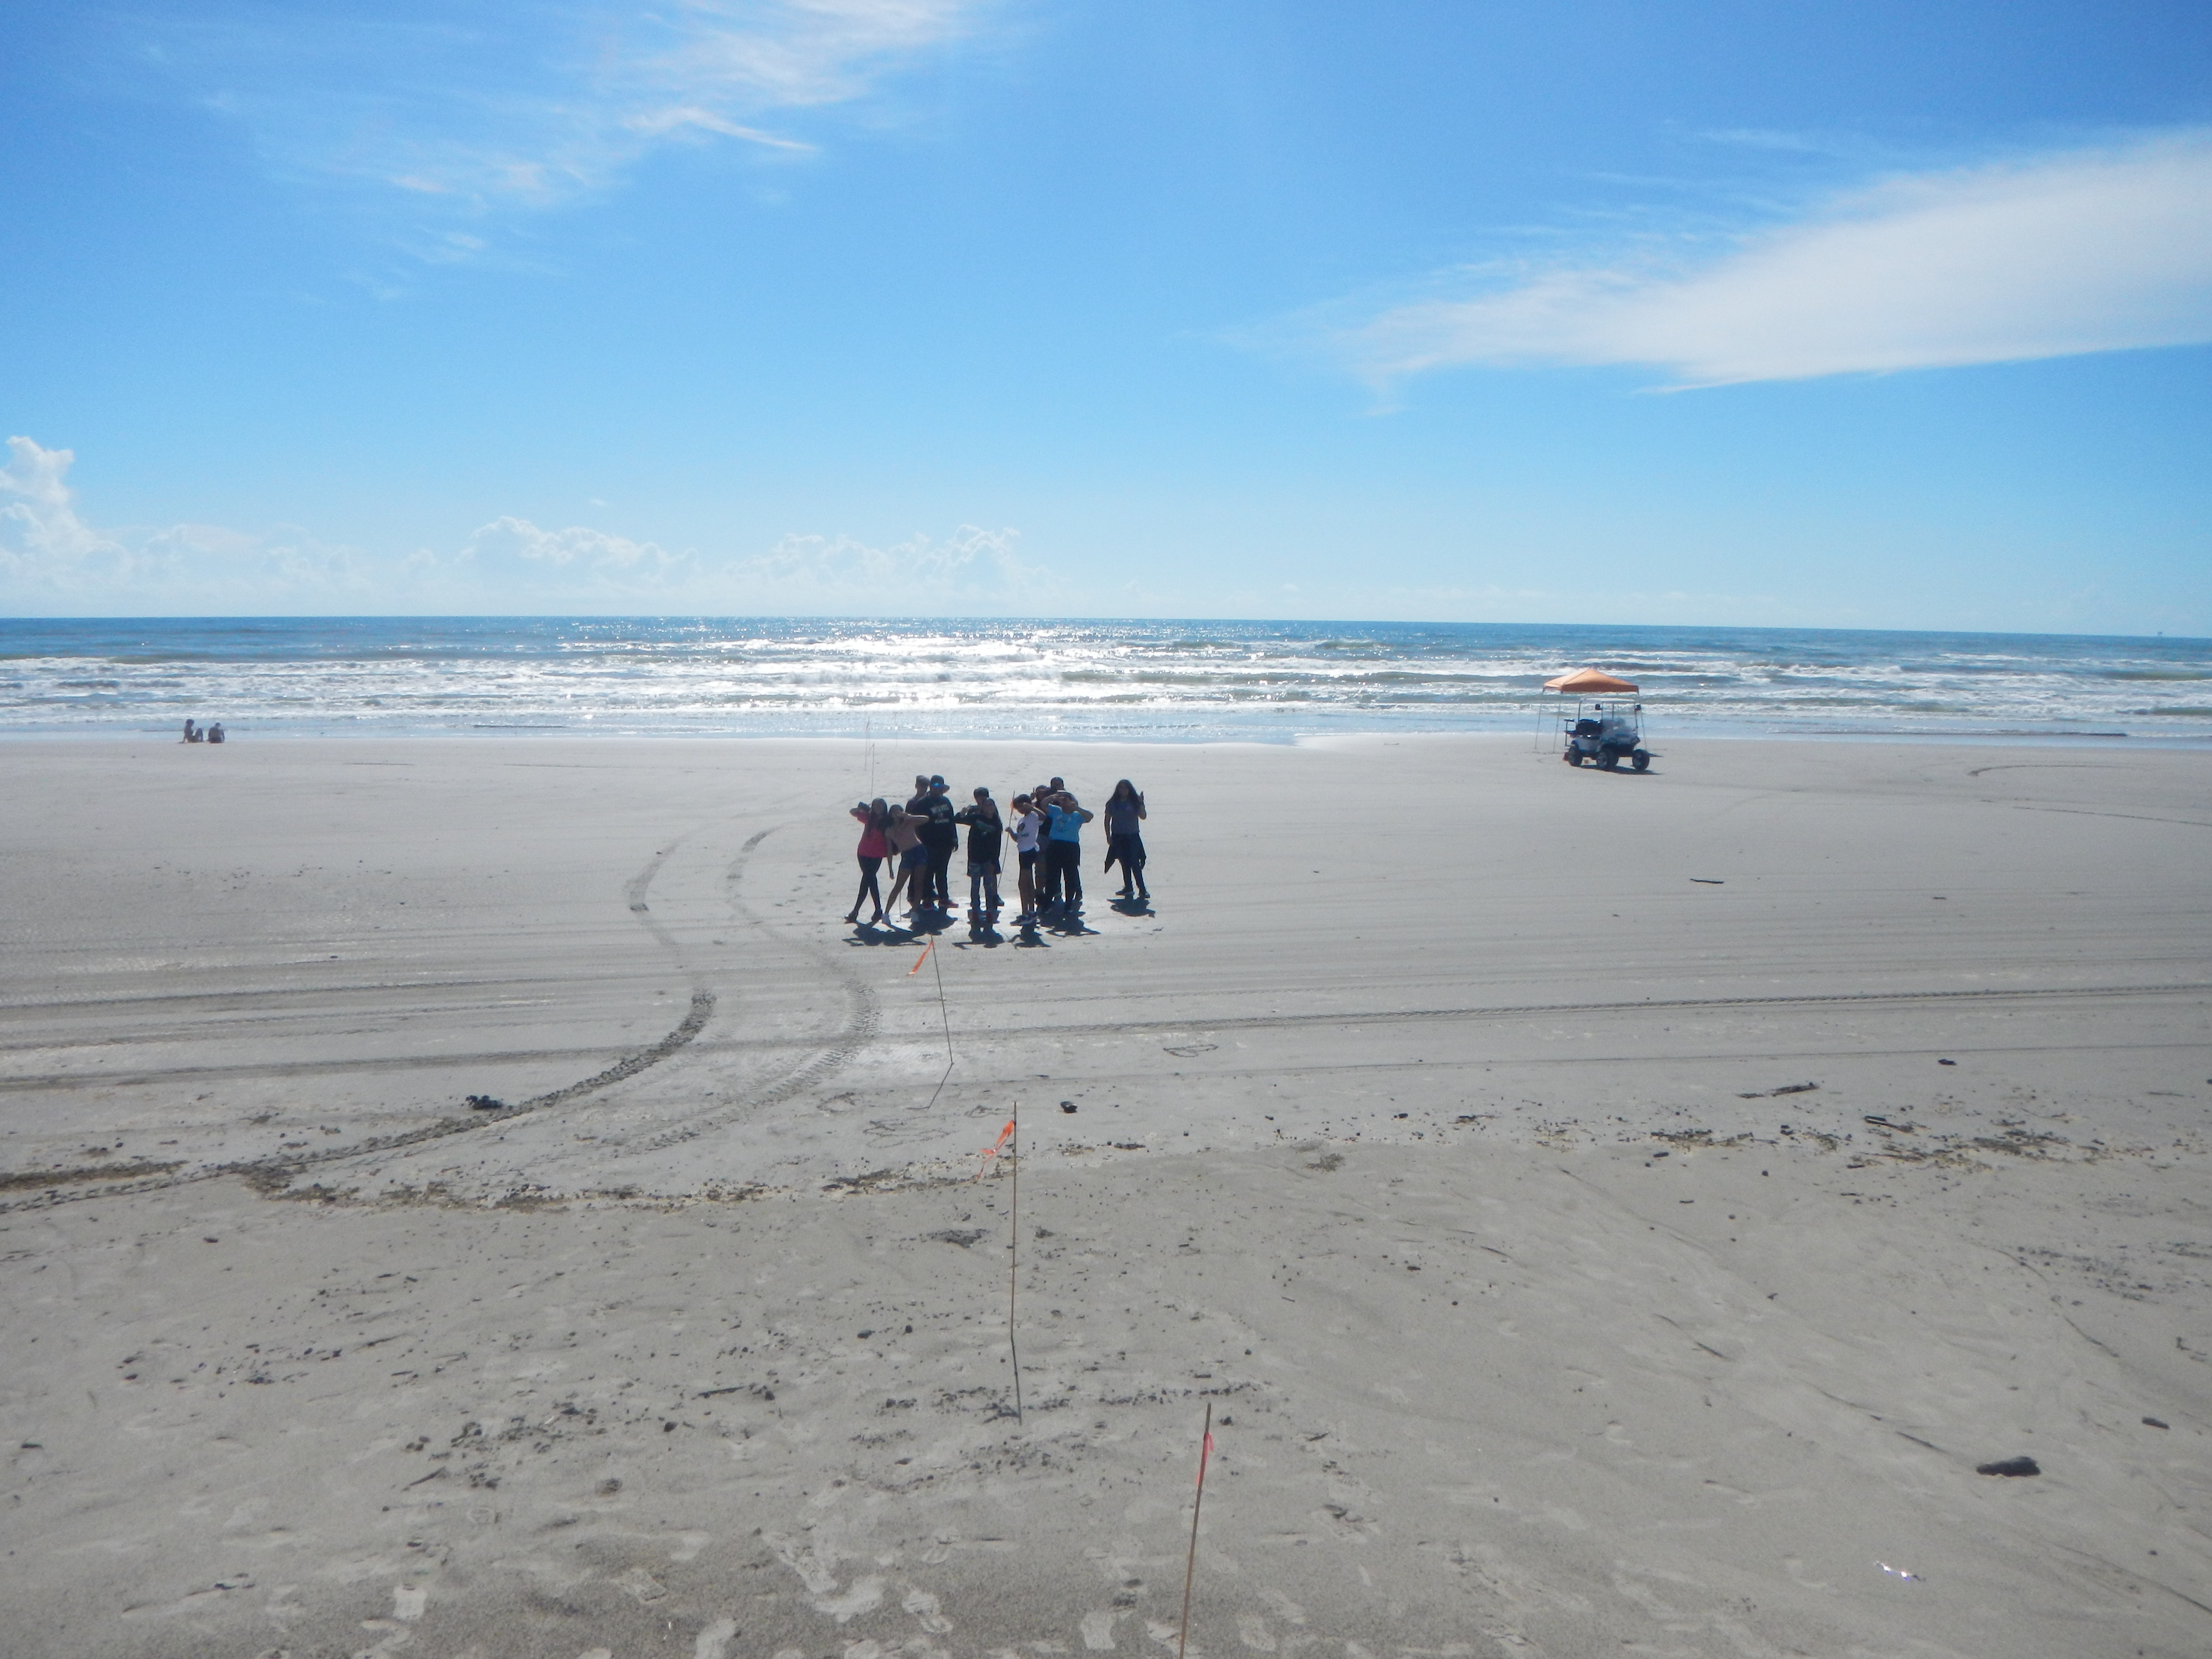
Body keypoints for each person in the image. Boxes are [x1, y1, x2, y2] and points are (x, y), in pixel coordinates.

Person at [953, 786, 1005, 922]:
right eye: (985, 805)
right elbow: (957, 819)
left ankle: (990, 910)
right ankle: (976, 910)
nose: (987, 807)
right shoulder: (976, 817)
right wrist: (963, 812)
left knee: (988, 886)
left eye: (990, 805)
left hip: (989, 860)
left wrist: (994, 862)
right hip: (975, 858)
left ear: (994, 808)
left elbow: (997, 845)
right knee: (975, 885)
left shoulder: (997, 823)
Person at [1043, 789, 1092, 911]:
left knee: (1070, 875)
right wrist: (1054, 797)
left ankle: (1069, 902)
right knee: (1052, 875)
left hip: (1071, 847)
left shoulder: (1077, 815)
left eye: (1067, 801)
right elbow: (1043, 805)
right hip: (1055, 846)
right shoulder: (1056, 811)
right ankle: (1047, 902)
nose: (1065, 803)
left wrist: (1077, 808)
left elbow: (1090, 817)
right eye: (1063, 801)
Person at [917, 774, 961, 912]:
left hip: (946, 843)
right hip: (929, 844)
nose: (938, 789)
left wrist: (955, 839)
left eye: (940, 786)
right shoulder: (923, 803)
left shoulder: (946, 802)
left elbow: (951, 821)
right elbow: (916, 824)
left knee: (942, 872)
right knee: (928, 872)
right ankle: (927, 900)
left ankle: (944, 898)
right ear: (931, 786)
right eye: (935, 786)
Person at [845, 798, 891, 925]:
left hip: (877, 855)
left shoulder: (887, 821)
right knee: (870, 879)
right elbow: (853, 812)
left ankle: (856, 911)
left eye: (880, 805)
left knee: (868, 880)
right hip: (863, 853)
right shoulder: (869, 818)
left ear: (885, 806)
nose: (878, 808)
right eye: (876, 805)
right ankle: (877, 910)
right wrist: (865, 809)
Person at [1102, 778, 1148, 899]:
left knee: (1135, 863)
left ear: (1129, 789)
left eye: (1125, 788)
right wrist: (1108, 836)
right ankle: (1128, 887)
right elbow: (1107, 820)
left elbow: (1143, 817)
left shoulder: (1134, 802)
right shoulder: (1112, 803)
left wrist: (1141, 804)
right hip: (1118, 837)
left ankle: (1142, 889)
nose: (1123, 791)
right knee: (1124, 862)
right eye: (1121, 788)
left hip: (1132, 836)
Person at [882, 800, 927, 916]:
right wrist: (890, 868)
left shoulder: (909, 821)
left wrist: (909, 817)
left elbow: (926, 819)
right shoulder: (890, 830)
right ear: (890, 815)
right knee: (899, 885)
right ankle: (886, 913)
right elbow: (889, 850)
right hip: (907, 854)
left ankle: (915, 911)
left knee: (919, 883)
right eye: (894, 812)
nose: (897, 814)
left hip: (919, 851)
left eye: (899, 811)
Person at [1008, 793, 1043, 924]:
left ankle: (1028, 913)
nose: (1020, 811)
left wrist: (1032, 807)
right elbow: (1019, 839)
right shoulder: (1022, 820)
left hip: (1029, 852)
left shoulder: (1033, 816)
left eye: (1021, 808)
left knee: (1024, 883)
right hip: (1022, 851)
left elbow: (1044, 817)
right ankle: (1029, 912)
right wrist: (1011, 832)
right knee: (1026, 883)